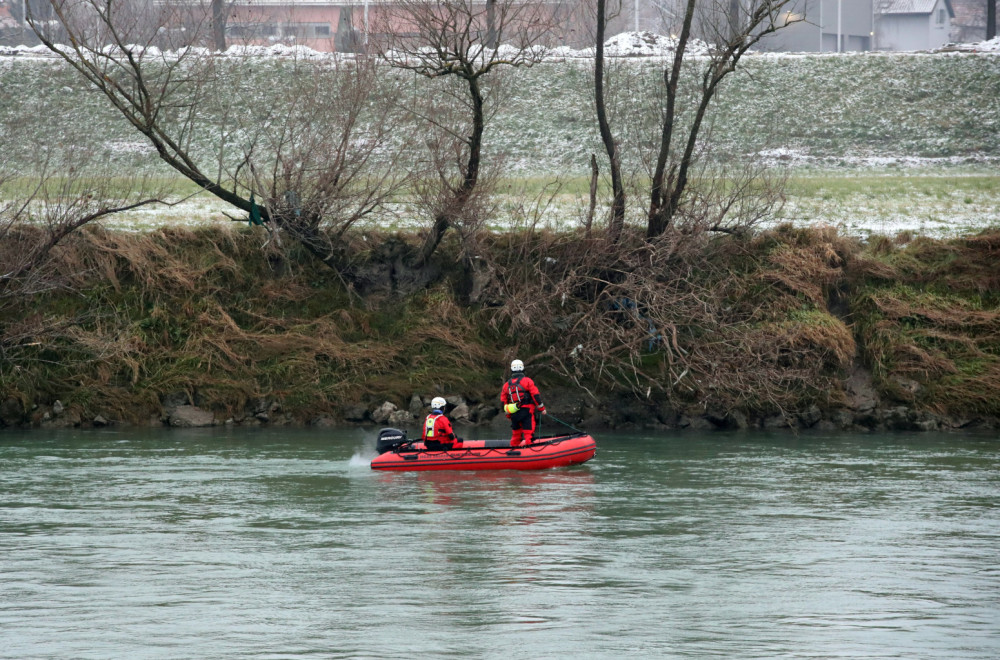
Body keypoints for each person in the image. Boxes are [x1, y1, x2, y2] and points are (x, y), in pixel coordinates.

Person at [500, 359, 546, 447]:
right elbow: (535, 395)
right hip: (527, 411)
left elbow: (503, 402)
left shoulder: (506, 385)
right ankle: (530, 449)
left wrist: (508, 414)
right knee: (528, 432)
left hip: (514, 413)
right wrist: (542, 408)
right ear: (522, 368)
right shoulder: (527, 381)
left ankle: (513, 449)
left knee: (516, 434)